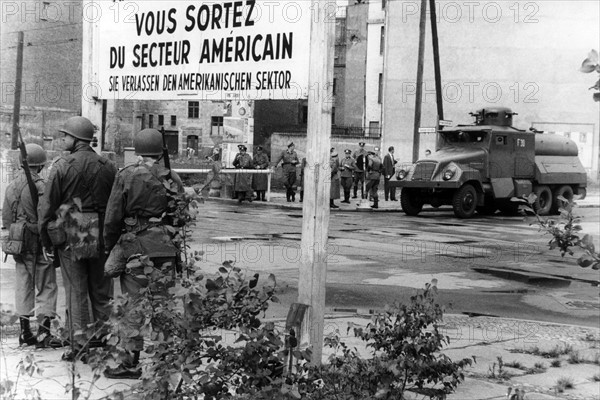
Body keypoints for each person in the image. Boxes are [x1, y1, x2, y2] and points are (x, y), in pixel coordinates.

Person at [102, 128, 184, 379]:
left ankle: (130, 362)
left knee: (132, 306)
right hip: (165, 248)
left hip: (135, 247)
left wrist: (110, 244)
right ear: (160, 151)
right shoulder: (172, 177)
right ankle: (164, 360)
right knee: (163, 304)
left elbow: (113, 215)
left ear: (137, 151)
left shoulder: (126, 175)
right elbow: (180, 218)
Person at [38, 116, 117, 360]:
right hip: (102, 231)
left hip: (72, 231)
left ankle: (80, 346)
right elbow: (116, 204)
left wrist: (45, 240)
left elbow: (47, 207)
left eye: (66, 135)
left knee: (76, 291)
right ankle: (106, 341)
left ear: (76, 138)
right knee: (102, 291)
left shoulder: (61, 166)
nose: (63, 139)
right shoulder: (108, 166)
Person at [2, 144, 59, 348]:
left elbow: (7, 219)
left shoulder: (11, 186)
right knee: (46, 284)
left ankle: (25, 332)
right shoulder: (43, 185)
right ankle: (43, 334)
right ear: (42, 165)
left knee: (23, 284)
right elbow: (48, 216)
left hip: (19, 241)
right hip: (38, 238)